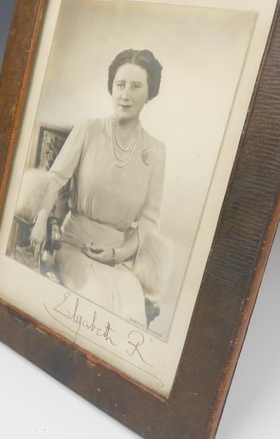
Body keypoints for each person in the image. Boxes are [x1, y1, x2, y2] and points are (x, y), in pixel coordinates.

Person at [22, 49, 169, 327]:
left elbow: (149, 224)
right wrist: (41, 219)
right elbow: (55, 179)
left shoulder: (156, 152)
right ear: (111, 88)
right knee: (90, 302)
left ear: (149, 94)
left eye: (136, 86)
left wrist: (117, 254)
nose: (125, 94)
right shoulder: (88, 129)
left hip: (117, 257)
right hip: (73, 245)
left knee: (131, 313)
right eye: (120, 84)